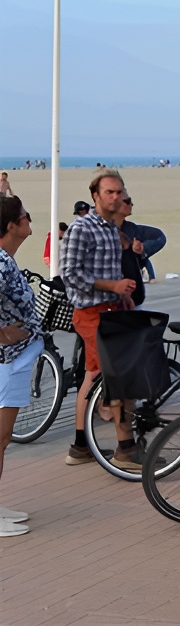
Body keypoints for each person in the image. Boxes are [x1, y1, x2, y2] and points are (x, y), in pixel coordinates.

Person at [59, 170, 145, 469]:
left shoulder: (110, 229)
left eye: (119, 191)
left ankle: (82, 446)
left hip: (112, 310)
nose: (116, 196)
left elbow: (108, 271)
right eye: (110, 192)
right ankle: (125, 449)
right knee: (109, 375)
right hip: (92, 314)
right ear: (95, 196)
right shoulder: (81, 228)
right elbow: (70, 274)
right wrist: (113, 286)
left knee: (95, 374)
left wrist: (122, 296)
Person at [0, 196, 43, 537]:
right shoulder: (0, 263)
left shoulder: (6, 260)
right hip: (8, 360)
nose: (30, 220)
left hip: (15, 358)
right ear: (12, 225)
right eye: (25, 216)